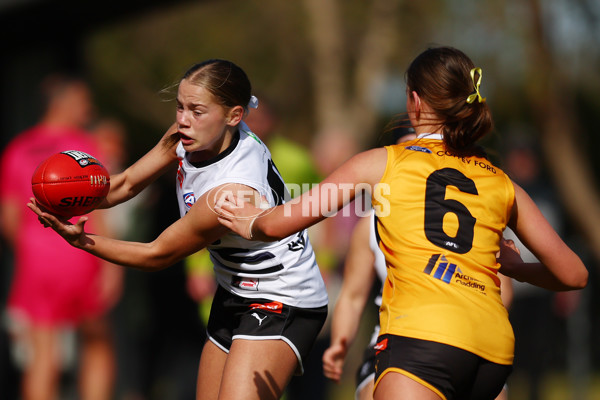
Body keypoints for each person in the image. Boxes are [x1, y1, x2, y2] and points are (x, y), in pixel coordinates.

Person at [213, 46, 588, 400]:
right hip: (492, 353)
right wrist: (517, 267)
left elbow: (281, 223)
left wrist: (249, 219)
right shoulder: (501, 182)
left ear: (414, 102)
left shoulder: (382, 163)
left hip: (422, 343)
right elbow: (574, 275)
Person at [28, 59, 329, 400]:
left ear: (234, 115)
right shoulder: (189, 137)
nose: (183, 120)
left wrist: (80, 240)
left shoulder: (229, 192)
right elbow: (125, 184)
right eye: (180, 106)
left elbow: (156, 253)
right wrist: (68, 197)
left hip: (282, 298)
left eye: (197, 111)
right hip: (235, 294)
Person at [0, 74, 123, 400]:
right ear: (63, 103)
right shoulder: (83, 148)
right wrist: (113, 265)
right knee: (97, 342)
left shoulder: (17, 148)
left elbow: (9, 218)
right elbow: (101, 211)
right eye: (83, 102)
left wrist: (33, 247)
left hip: (36, 261)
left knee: (43, 354)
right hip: (81, 254)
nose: (89, 109)